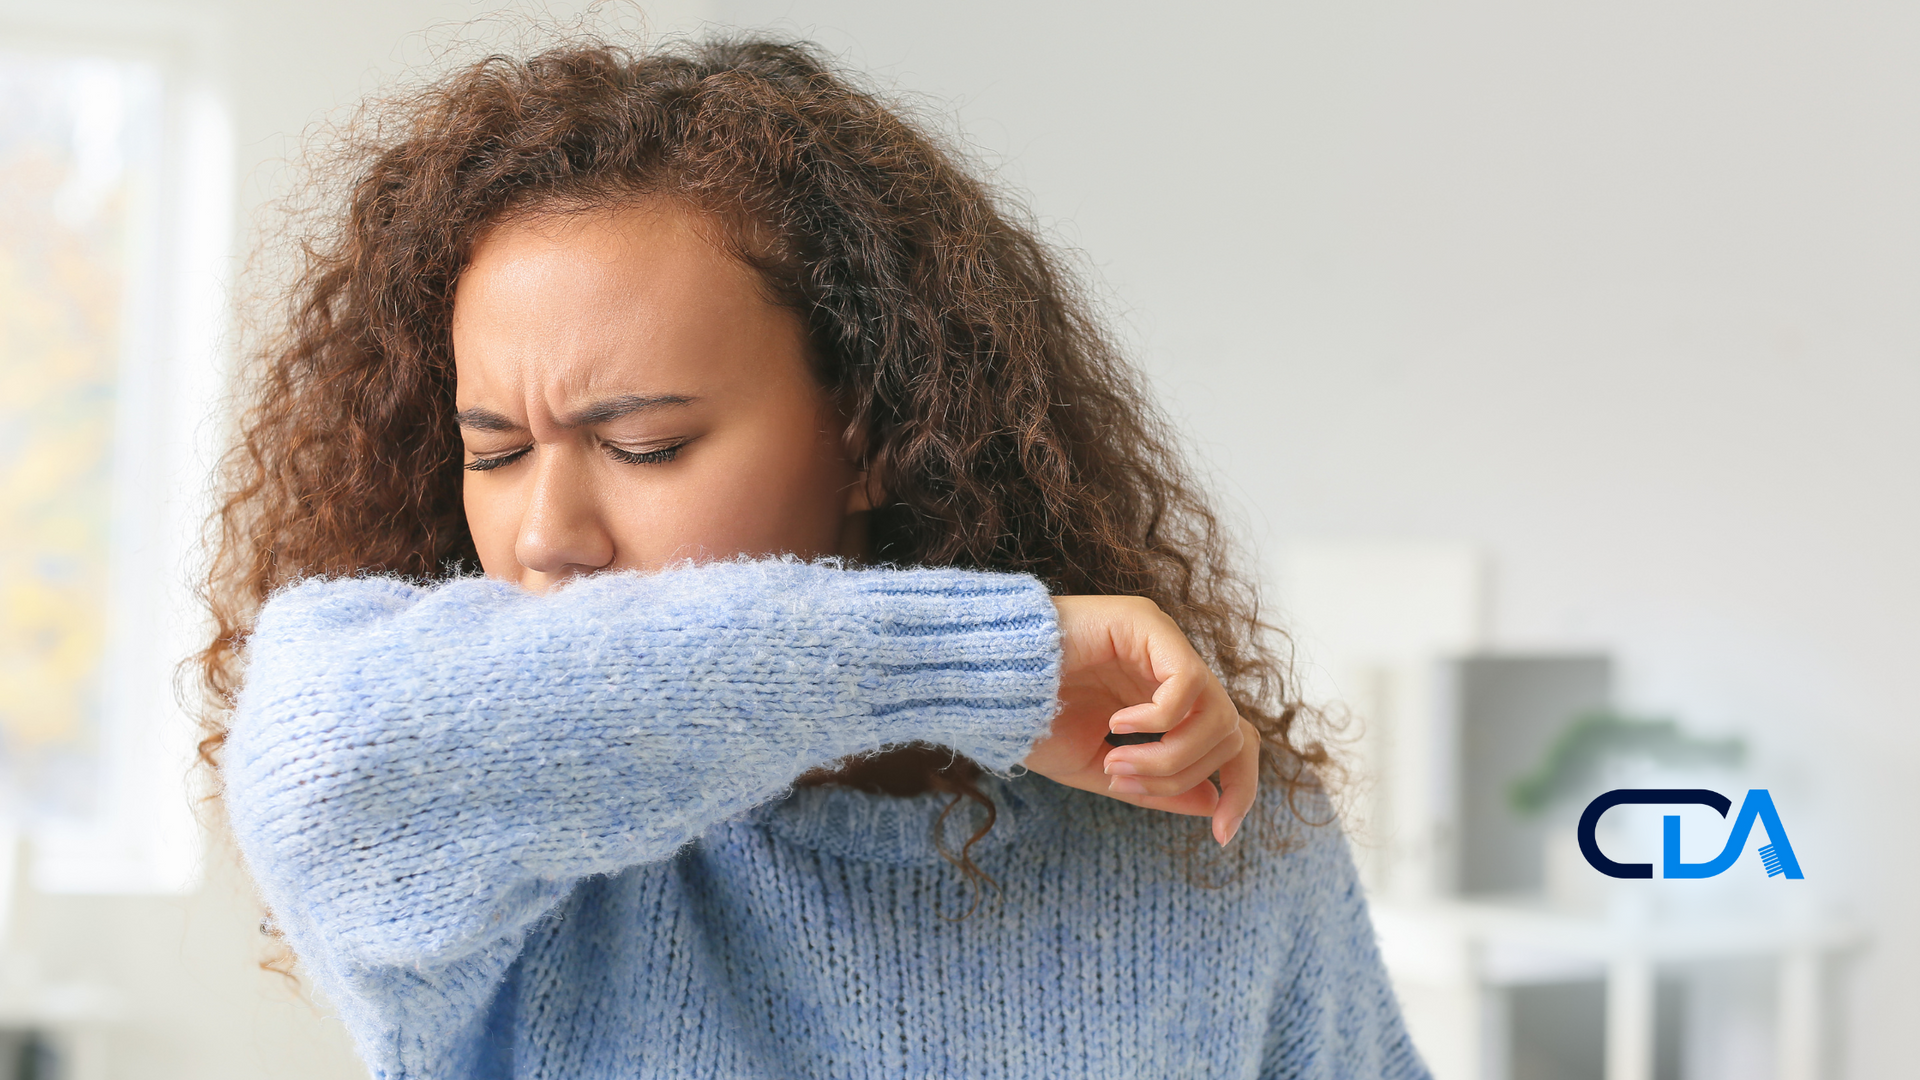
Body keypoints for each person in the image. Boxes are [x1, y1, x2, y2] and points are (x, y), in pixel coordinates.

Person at [204, 34, 1429, 1080]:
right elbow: (326, 752)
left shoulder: (1215, 845)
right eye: (495, 452)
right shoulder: (508, 852)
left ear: (873, 439)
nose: (543, 536)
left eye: (644, 444)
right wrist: (983, 666)